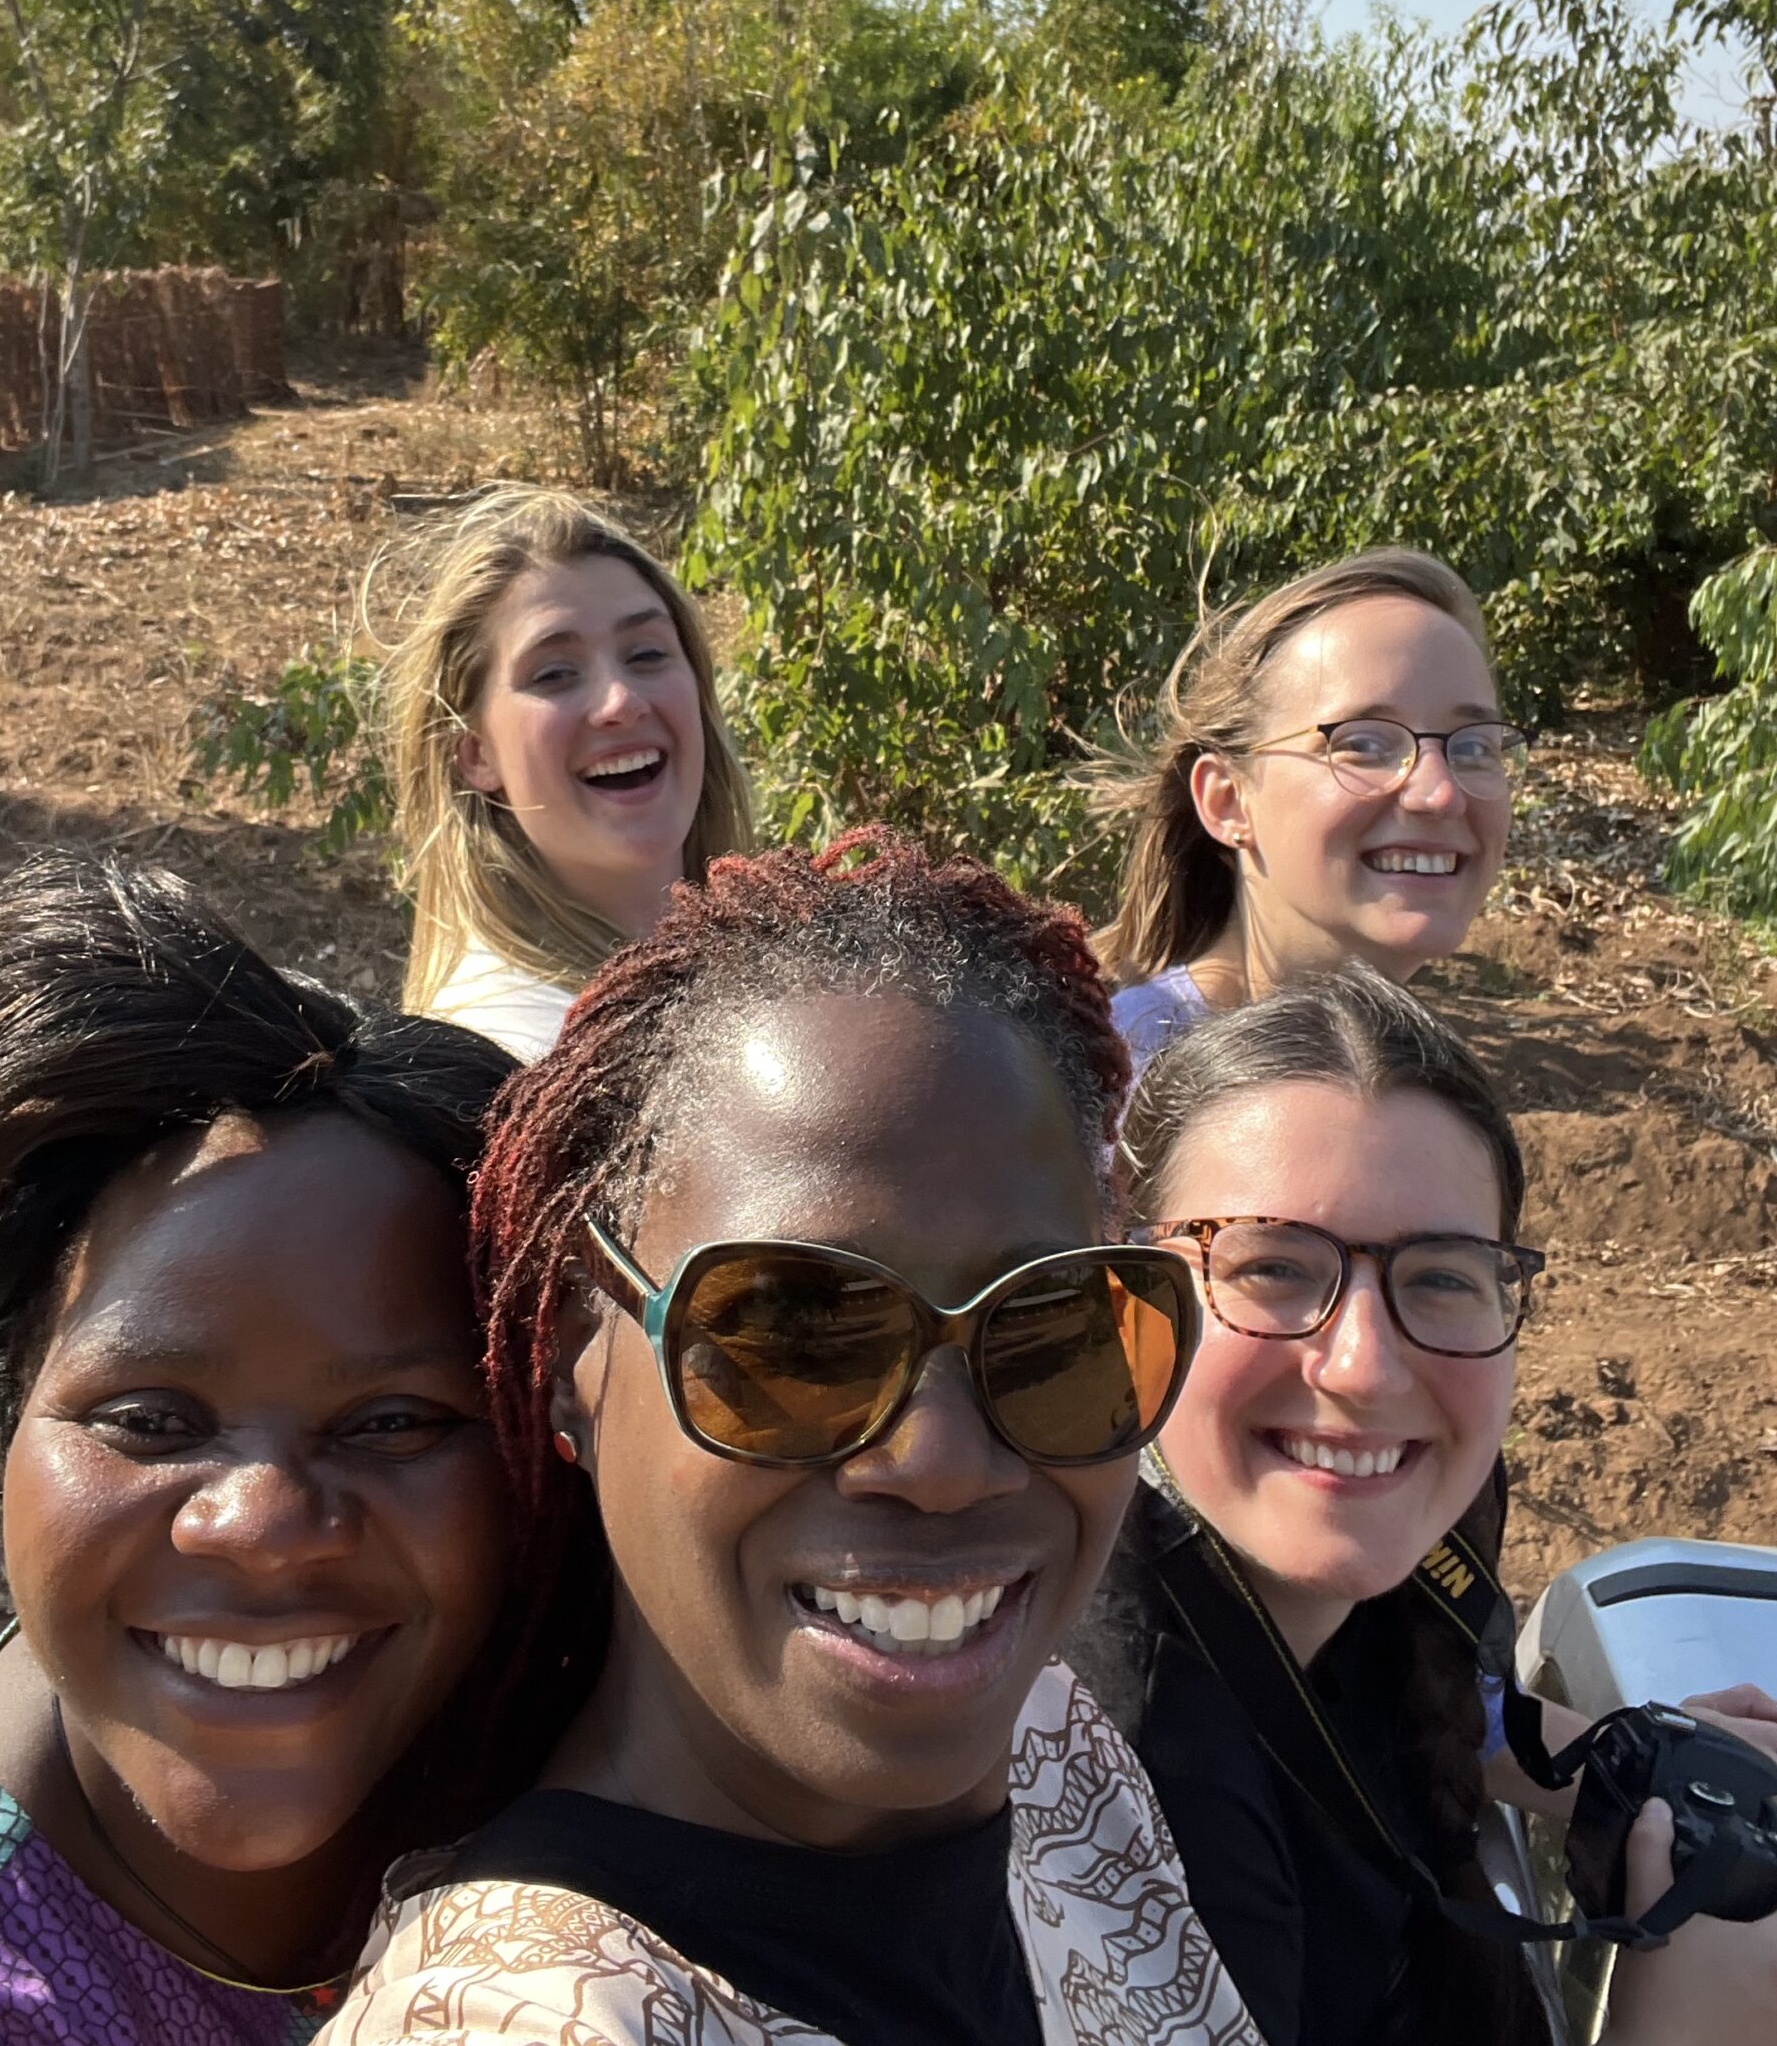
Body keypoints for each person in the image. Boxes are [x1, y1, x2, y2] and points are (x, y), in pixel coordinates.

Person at [320, 830, 1263, 2046]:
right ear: (568, 1355)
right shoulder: (531, 2019)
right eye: (794, 1334)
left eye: (1054, 1325)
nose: (944, 1462)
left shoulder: (1052, 1749)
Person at [0, 856, 520, 2044]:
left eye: (392, 1423)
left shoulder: (554, 1723)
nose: (258, 1523)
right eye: (151, 1423)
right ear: (9, 1423)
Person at [1069, 968, 1777, 2046]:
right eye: (1270, 1266)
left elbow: (1420, 1705)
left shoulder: (1348, 1573)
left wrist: (1633, 1755)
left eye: (1441, 1277)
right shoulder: (1118, 1798)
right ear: (1130, 1309)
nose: (1361, 1364)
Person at [1090, 549, 1518, 1076]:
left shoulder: (1415, 1081)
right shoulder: (1108, 1091)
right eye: (1363, 744)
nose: (1440, 793)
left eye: (1474, 748)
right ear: (1227, 802)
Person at [383, 487, 754, 1060]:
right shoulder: (509, 1060)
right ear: (478, 755)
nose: (622, 701)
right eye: (555, 674)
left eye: (647, 655)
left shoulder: (775, 965)